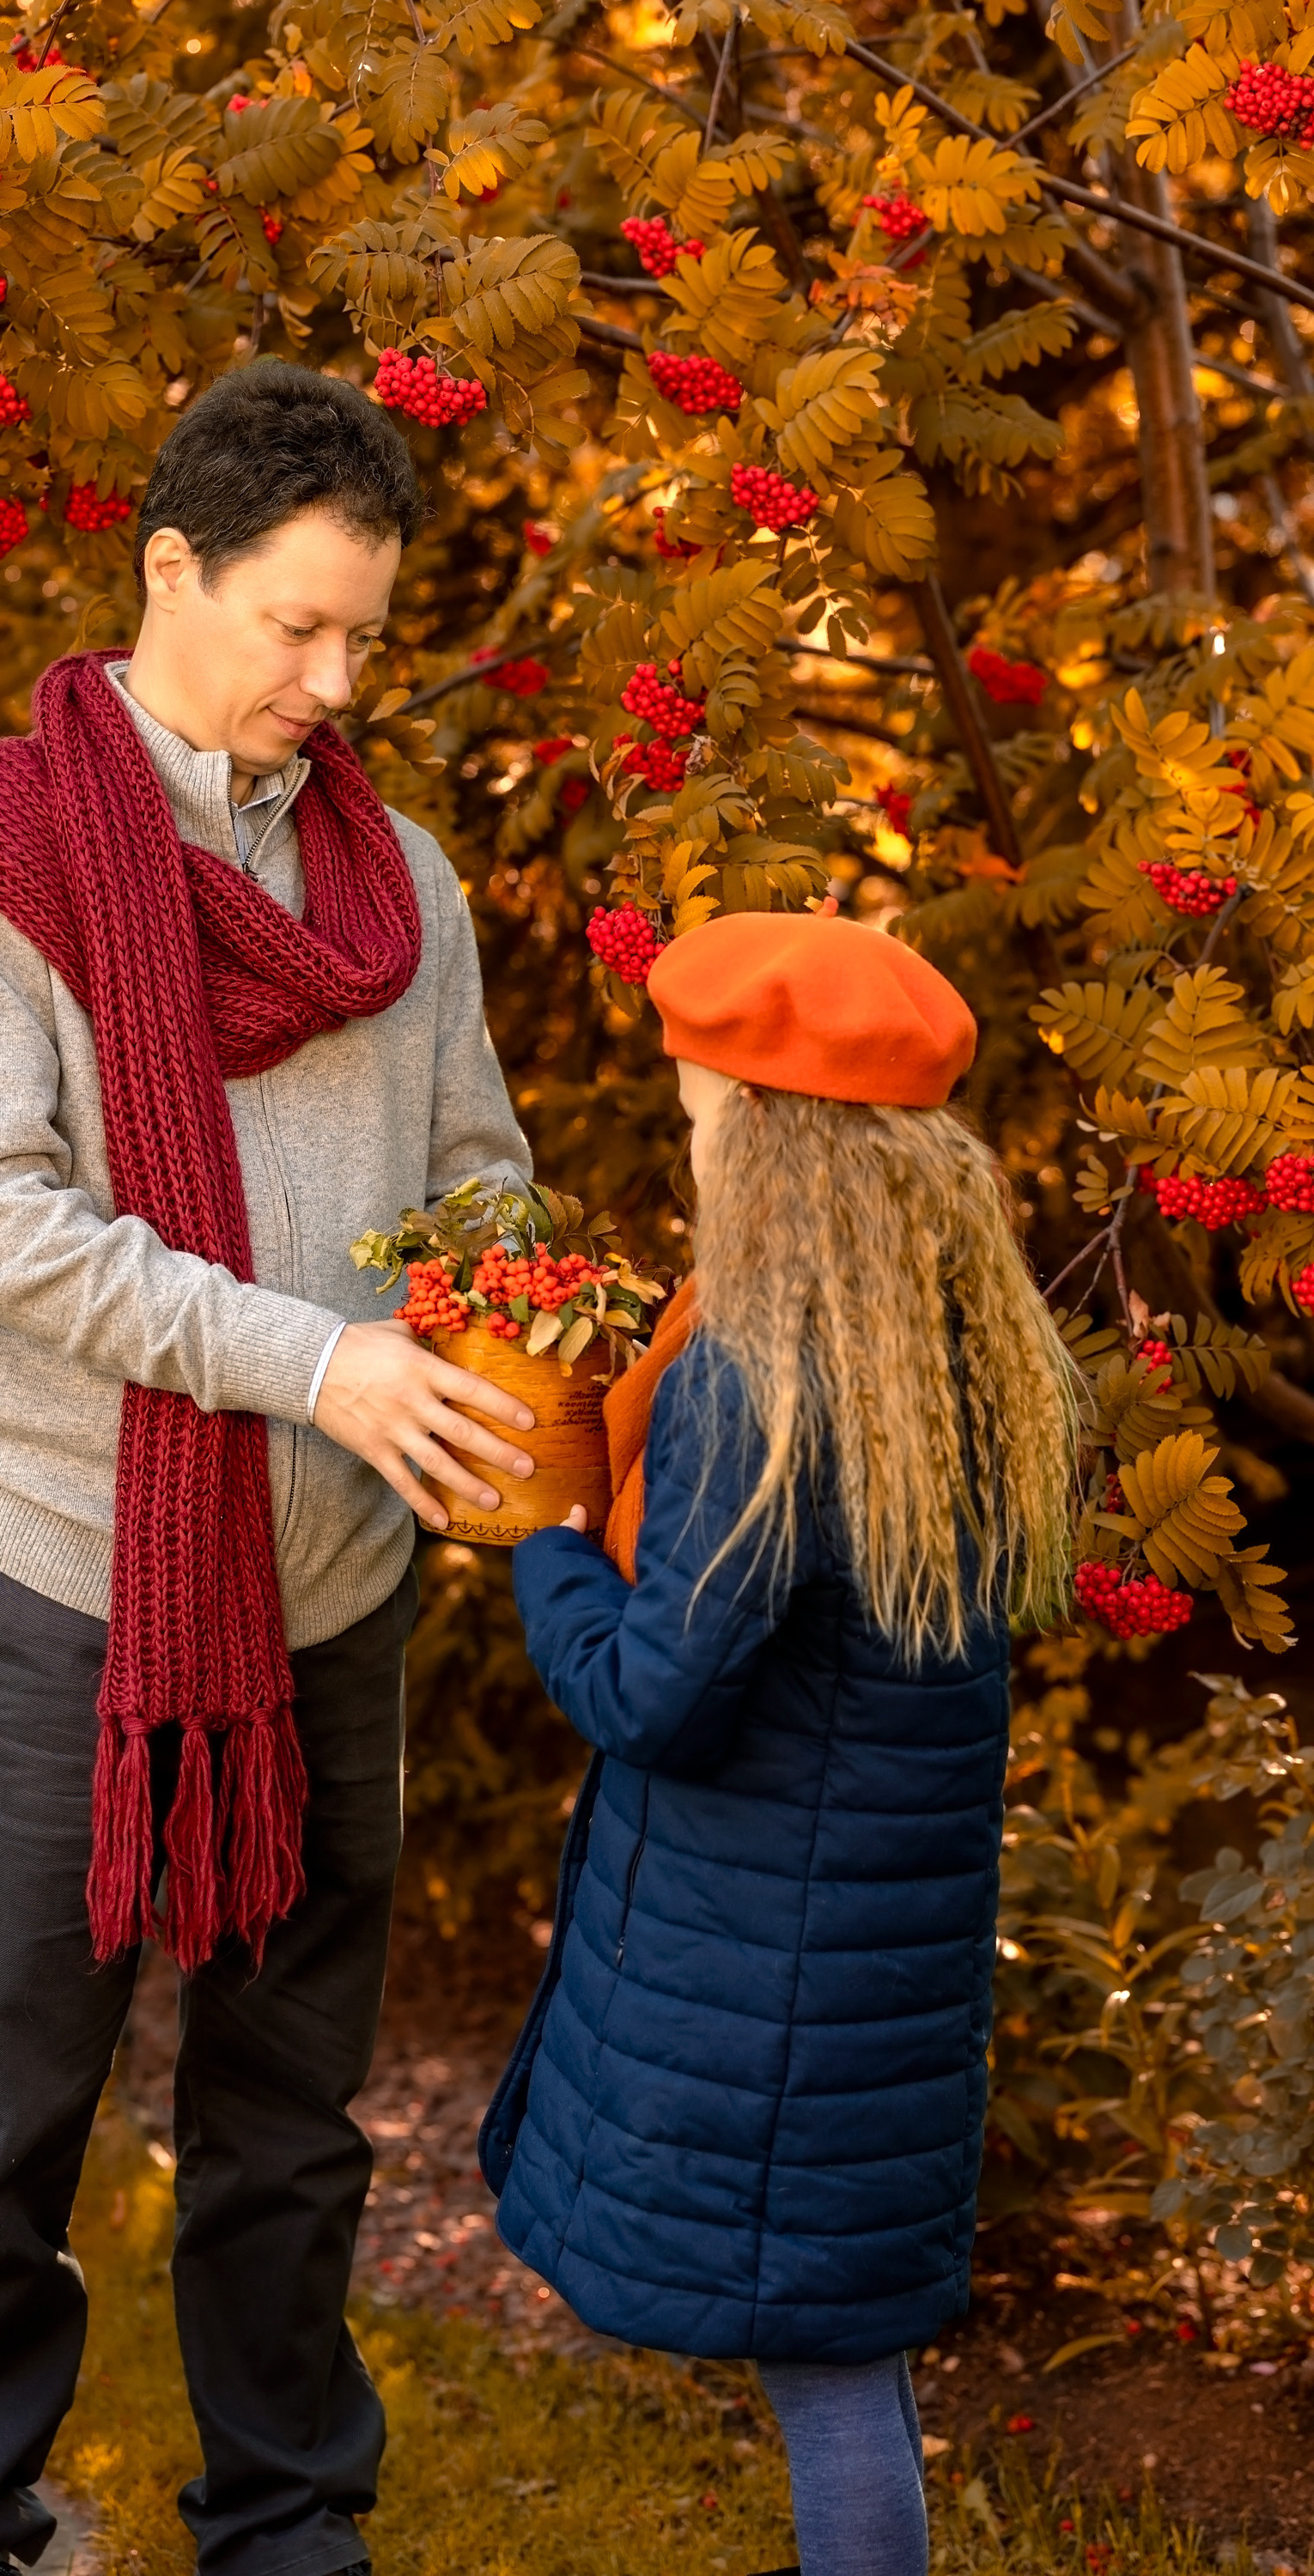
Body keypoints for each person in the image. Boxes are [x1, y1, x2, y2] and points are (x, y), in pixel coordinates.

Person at [0, 361, 538, 2576]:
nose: (332, 683)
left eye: (363, 641)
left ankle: (290, 2531)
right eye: (294, 628)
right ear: (168, 574)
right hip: (62, 1599)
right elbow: (1, 1232)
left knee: (290, 2126)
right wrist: (316, 1363)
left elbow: (480, 1180)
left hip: (329, 1591)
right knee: (3, 2125)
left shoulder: (392, 888)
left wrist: (514, 1331)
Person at [479, 909, 1081, 2576]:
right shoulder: (951, 1352)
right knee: (843, 2351)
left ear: (766, 1131)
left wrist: (547, 1522)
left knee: (825, 2371)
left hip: (776, 1955)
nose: (688, 1148)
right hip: (865, 1939)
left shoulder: (752, 1379)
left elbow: (656, 1693)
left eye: (693, 1115)